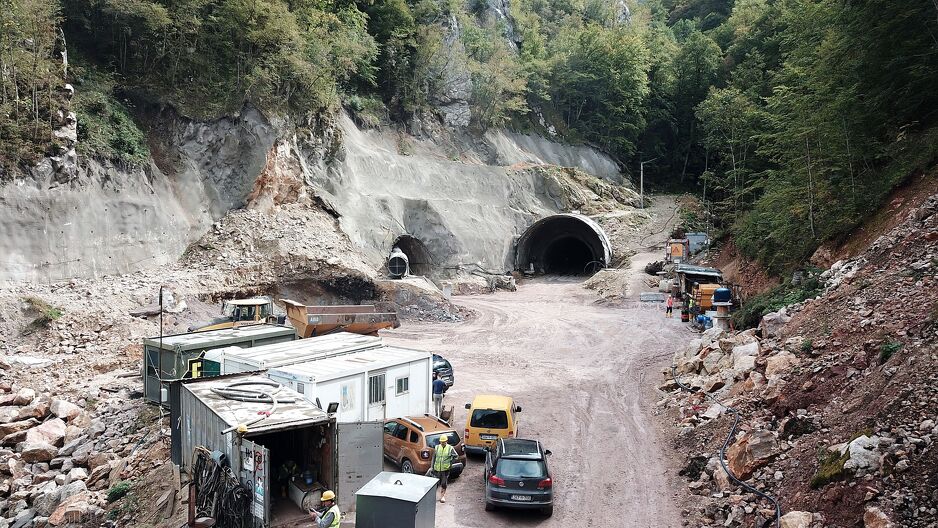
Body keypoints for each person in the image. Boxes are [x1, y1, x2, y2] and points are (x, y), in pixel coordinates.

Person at [430, 435, 457, 503]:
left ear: (446, 441)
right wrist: (432, 467)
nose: (442, 443)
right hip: (437, 469)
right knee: (435, 483)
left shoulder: (450, 448)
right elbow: (434, 458)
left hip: (445, 469)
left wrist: (450, 463)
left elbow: (456, 456)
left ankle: (442, 496)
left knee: (443, 483)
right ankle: (432, 496)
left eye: (444, 442)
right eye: (441, 442)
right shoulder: (437, 447)